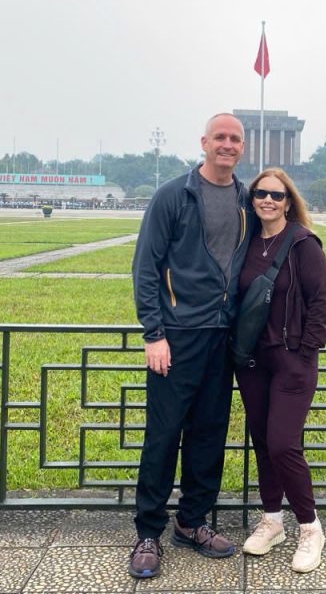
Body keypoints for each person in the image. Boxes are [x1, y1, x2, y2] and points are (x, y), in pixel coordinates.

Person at [128, 112, 253, 579]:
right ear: (204, 142)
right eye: (220, 137)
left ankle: (192, 521)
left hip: (223, 337)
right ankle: (148, 532)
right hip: (176, 338)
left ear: (242, 147)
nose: (227, 144)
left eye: (234, 139)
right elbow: (146, 267)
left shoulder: (246, 199)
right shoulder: (173, 196)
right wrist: (153, 333)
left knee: (209, 434)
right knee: (163, 435)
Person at [235, 168, 326, 573]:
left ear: (289, 201)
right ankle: (272, 520)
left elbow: (320, 303)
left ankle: (310, 527)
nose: (268, 201)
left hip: (292, 360)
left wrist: (306, 353)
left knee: (282, 444)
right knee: (262, 441)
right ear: (252, 199)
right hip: (253, 361)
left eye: (276, 195)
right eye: (261, 194)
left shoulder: (303, 244)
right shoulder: (246, 243)